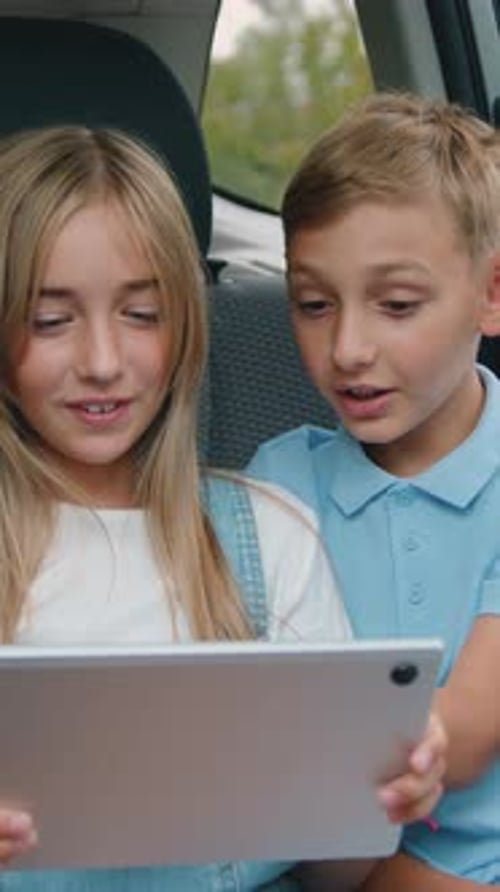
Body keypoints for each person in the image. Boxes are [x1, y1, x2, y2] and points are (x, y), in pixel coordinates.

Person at [0, 124, 445, 891]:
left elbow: (337, 874)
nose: (103, 362)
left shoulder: (267, 540)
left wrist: (379, 795)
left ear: (186, 327)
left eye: (141, 316)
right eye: (50, 320)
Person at [248, 92, 500, 889]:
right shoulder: (278, 486)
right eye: (313, 305)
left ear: (492, 295)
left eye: (395, 306)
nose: (348, 348)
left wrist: (401, 750)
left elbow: (464, 730)